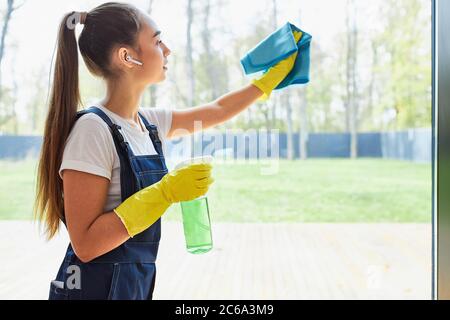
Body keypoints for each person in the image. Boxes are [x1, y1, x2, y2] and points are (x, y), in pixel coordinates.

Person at [33, 2, 301, 300]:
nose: (167, 50)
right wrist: (164, 193)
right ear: (127, 56)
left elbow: (218, 109)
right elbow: (85, 244)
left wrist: (266, 82)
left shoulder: (148, 123)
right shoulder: (92, 131)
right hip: (91, 289)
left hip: (135, 284)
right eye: (157, 41)